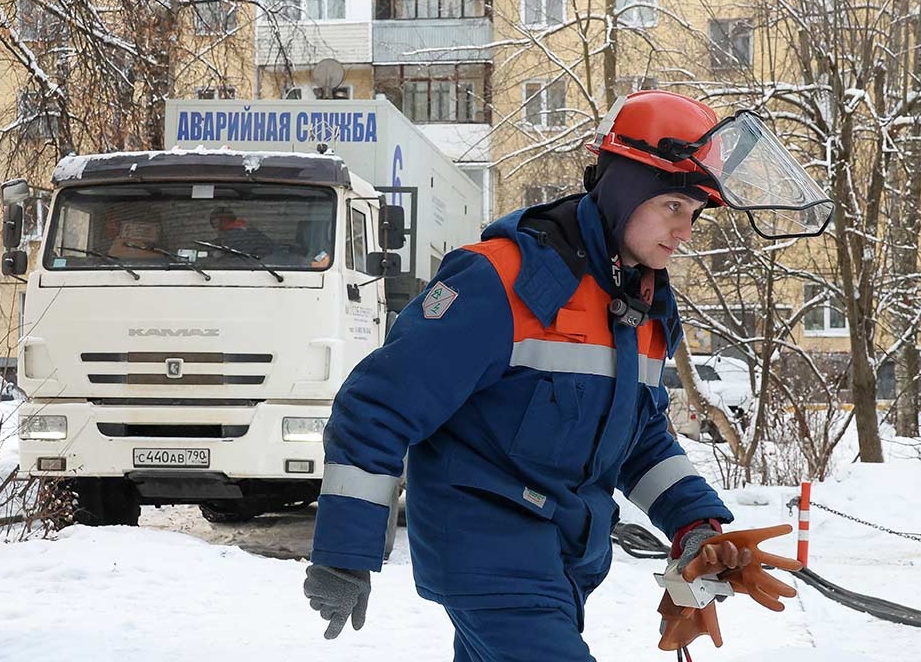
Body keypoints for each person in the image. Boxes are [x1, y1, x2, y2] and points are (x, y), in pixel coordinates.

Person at [303, 90, 833, 659]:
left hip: (562, 563)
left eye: (695, 214)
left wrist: (694, 523)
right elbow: (377, 408)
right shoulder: (498, 282)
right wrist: (345, 553)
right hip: (486, 557)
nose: (685, 229)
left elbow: (641, 438)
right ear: (627, 192)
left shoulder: (644, 308)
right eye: (673, 207)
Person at [208, 205, 274, 258]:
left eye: (217, 226)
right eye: (214, 227)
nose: (216, 230)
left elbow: (234, 259)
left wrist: (218, 254)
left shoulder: (234, 237)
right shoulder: (252, 232)